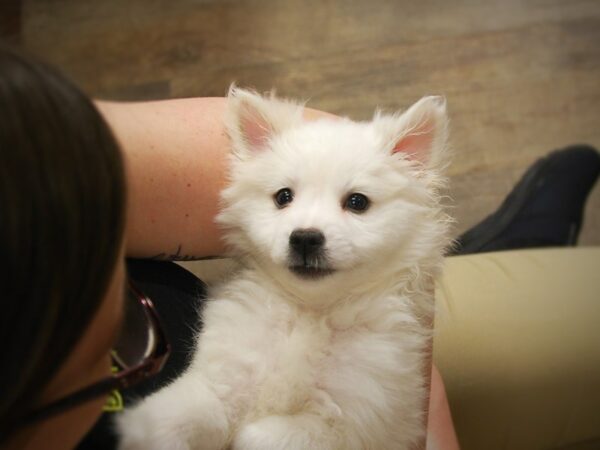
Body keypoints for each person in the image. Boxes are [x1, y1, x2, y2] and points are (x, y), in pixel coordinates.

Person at [2, 42, 599, 449]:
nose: (306, 227)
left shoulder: (30, 160)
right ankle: (515, 244)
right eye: (283, 198)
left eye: (356, 202)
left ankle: (505, 244)